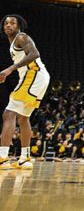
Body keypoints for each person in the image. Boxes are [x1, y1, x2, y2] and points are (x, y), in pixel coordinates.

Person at [0, 15, 50, 170]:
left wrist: (10, 69)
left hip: (33, 75)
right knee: (23, 118)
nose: (8, 25)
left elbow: (34, 54)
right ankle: (24, 158)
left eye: (12, 23)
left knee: (8, 114)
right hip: (38, 77)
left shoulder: (21, 37)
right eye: (6, 23)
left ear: (19, 26)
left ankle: (2, 157)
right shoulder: (13, 42)